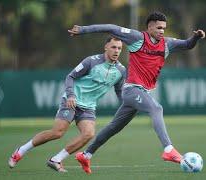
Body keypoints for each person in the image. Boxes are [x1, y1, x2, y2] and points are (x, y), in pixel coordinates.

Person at [68, 11, 206, 174]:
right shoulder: (138, 38)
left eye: (164, 28)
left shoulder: (167, 44)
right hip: (132, 89)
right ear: (149, 26)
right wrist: (83, 30)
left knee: (114, 127)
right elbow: (111, 28)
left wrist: (196, 37)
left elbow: (187, 45)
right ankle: (168, 149)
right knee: (157, 108)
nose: (162, 31)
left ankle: (86, 155)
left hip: (140, 92)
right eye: (159, 27)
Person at [8, 37, 126, 172]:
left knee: (88, 134)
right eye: (113, 47)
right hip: (72, 100)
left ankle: (56, 159)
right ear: (106, 47)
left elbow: (119, 91)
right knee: (57, 133)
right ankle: (20, 151)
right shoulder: (91, 61)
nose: (116, 51)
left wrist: (126, 104)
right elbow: (70, 76)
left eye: (119, 48)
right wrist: (70, 95)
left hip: (88, 106)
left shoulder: (121, 71)